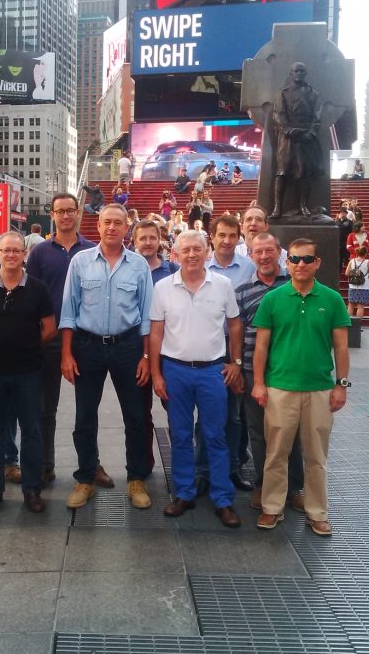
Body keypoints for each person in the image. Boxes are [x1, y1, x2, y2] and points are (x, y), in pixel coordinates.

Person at [252, 238, 351, 536]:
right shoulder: (273, 299)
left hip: (319, 389)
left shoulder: (332, 299)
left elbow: (341, 347)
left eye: (307, 259)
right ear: (287, 262)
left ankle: (317, 512)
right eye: (295, 259)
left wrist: (341, 385)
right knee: (276, 453)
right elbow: (261, 347)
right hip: (280, 387)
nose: (300, 264)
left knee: (316, 456)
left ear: (318, 262)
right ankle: (272, 508)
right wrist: (258, 383)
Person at [60, 203, 153, 510]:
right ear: (97, 226)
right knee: (85, 415)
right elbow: (69, 310)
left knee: (136, 416)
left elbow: (147, 317)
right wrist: (67, 354)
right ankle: (85, 477)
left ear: (127, 228)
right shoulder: (81, 261)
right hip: (87, 347)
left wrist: (145, 356)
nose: (112, 228)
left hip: (128, 346)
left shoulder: (139, 265)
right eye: (106, 223)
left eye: (118, 223)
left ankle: (136, 479)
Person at [149, 230, 243, 527]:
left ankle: (222, 498)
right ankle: (185, 493)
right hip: (175, 370)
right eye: (186, 249)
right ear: (176, 254)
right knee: (179, 435)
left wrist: (236, 362)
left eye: (197, 249)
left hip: (212, 371)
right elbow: (156, 333)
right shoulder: (163, 287)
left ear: (207, 251)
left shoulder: (223, 285)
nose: (192, 254)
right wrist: (156, 374)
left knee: (215, 435)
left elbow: (235, 325)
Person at [0, 232, 56, 514]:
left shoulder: (38, 289)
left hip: (28, 372)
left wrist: (26, 347)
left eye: (16, 251)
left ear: (24, 255)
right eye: (6, 251)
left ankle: (32, 489)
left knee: (31, 430)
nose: (11, 255)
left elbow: (49, 327)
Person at [26, 193, 107, 487]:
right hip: (49, 337)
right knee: (45, 407)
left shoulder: (92, 250)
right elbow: (30, 294)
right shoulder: (39, 253)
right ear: (52, 215)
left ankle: (91, 464)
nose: (65, 216)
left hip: (85, 338)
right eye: (60, 211)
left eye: (70, 210)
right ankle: (45, 464)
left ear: (78, 213)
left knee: (88, 407)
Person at [234, 233, 304, 513]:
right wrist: (237, 365)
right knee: (259, 432)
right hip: (254, 371)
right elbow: (236, 332)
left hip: (289, 372)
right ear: (251, 256)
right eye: (258, 252)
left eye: (269, 251)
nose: (263, 256)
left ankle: (294, 486)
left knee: (293, 432)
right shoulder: (242, 291)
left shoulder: (295, 285)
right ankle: (265, 484)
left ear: (280, 253)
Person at [204, 215, 256, 493]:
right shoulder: (199, 264)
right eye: (221, 235)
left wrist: (237, 359)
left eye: (232, 236)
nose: (226, 241)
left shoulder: (249, 267)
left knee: (235, 414)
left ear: (239, 238)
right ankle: (205, 471)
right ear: (211, 236)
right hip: (206, 345)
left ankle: (233, 467)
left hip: (237, 344)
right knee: (207, 413)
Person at [133, 219, 179, 471]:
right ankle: (144, 463)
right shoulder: (129, 269)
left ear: (160, 239)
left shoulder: (172, 270)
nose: (148, 243)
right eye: (143, 238)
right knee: (140, 412)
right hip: (138, 352)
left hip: (168, 353)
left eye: (152, 237)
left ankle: (181, 464)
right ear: (135, 241)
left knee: (175, 410)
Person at [271, 62, 324, 218]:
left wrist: (312, 132)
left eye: (302, 71)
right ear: (291, 73)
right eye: (296, 71)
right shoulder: (283, 93)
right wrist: (287, 130)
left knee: (305, 173)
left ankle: (303, 206)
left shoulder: (313, 93)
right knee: (282, 173)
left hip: (306, 138)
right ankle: (277, 208)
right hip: (287, 138)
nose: (299, 74)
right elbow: (278, 114)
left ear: (305, 74)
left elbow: (317, 116)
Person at [345, 246, 369, 320]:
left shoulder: (352, 261)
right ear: (365, 253)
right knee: (360, 306)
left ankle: (348, 323)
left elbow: (347, 273)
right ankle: (358, 325)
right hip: (364, 287)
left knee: (351, 305)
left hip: (352, 286)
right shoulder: (368, 262)